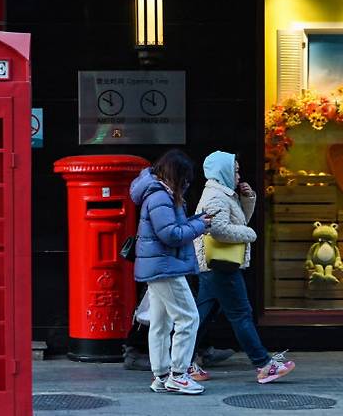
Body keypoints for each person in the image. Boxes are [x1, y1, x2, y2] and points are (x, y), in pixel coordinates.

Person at [192, 151, 295, 384]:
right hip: (221, 266)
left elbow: (237, 221)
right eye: (235, 170)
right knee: (241, 314)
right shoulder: (217, 196)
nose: (238, 175)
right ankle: (263, 364)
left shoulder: (224, 193)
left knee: (202, 316)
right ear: (223, 171)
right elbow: (217, 230)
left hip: (213, 265)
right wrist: (250, 235)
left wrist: (247, 199)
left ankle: (182, 363)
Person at [129, 149, 211, 395]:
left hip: (159, 266)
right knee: (188, 318)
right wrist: (200, 225)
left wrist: (196, 219)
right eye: (185, 178)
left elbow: (170, 228)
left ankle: (162, 375)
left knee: (161, 323)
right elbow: (171, 235)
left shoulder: (156, 193)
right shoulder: (159, 197)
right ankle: (179, 374)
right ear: (176, 175)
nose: (186, 184)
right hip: (166, 267)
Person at [122, 282, 235, 371]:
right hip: (166, 264)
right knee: (181, 317)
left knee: (162, 316)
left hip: (168, 263)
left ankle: (166, 371)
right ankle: (177, 370)